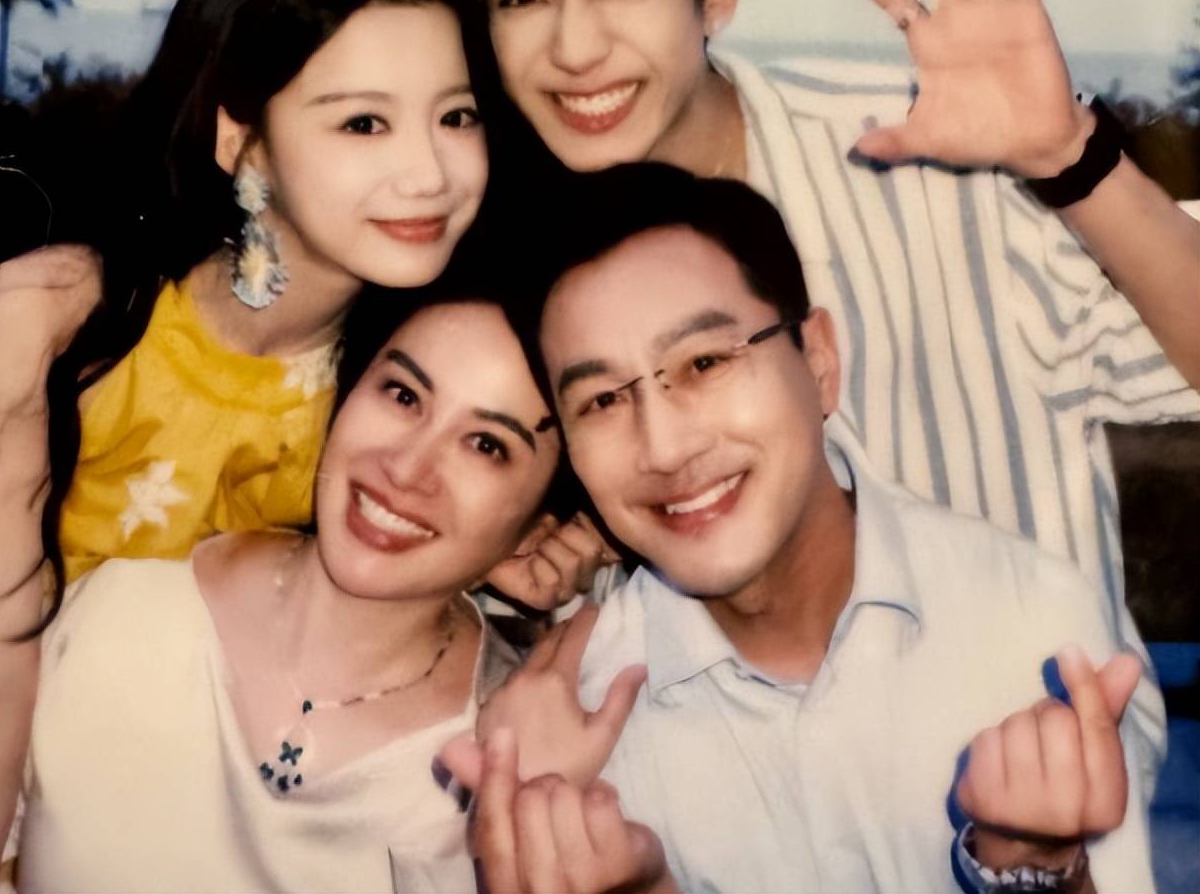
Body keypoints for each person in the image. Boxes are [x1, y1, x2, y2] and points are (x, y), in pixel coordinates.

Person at [423, 0, 1200, 760]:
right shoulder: (499, 275)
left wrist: (1070, 159)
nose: (575, 49)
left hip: (1051, 793)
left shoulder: (926, 154)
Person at [444, 163, 1157, 894]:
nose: (664, 449)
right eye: (601, 401)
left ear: (818, 360)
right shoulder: (571, 736)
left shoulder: (1029, 620)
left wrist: (1040, 868)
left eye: (704, 363)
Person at [0, 261, 571, 892]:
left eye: (486, 445)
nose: (406, 468)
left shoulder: (515, 763)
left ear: (536, 532)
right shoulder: (126, 610)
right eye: (403, 395)